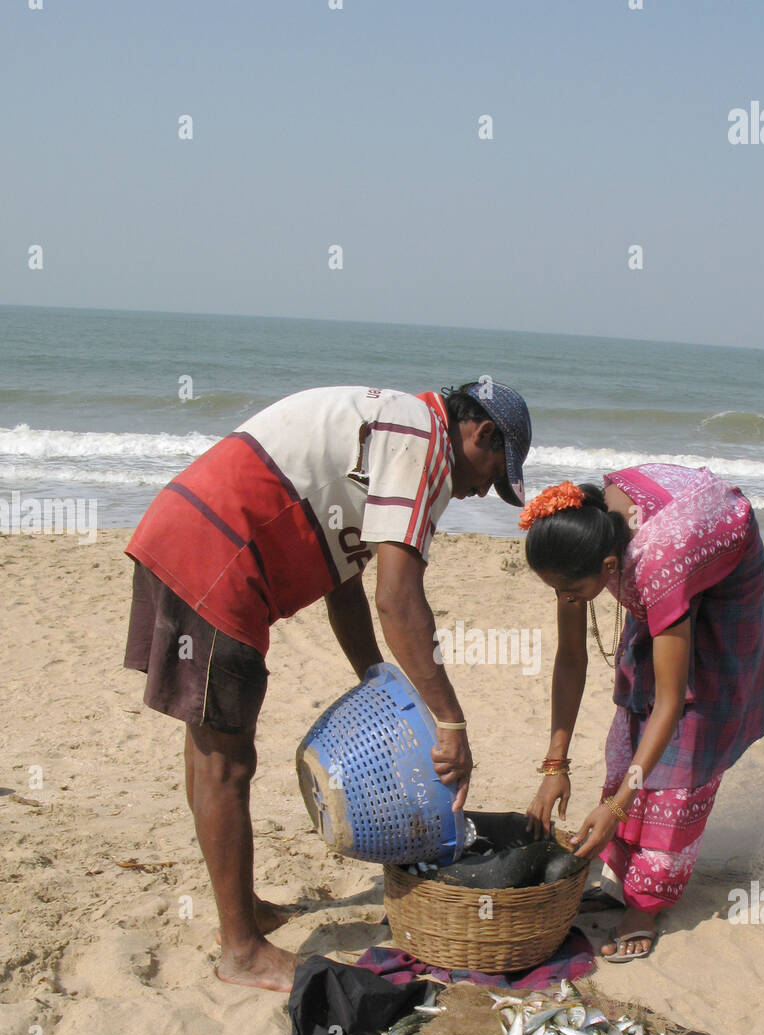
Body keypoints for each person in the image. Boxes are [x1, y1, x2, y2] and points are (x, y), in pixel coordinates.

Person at [124, 380, 532, 992]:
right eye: (491, 476)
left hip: (186, 526)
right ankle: (240, 950)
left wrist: (377, 680)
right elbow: (398, 601)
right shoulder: (424, 445)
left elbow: (345, 585)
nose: (479, 492)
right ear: (480, 434)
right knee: (226, 762)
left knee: (209, 745)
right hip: (220, 555)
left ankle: (242, 911)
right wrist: (450, 721)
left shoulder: (396, 427)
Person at [523, 465, 764, 961]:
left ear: (611, 566)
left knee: (687, 745)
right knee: (632, 717)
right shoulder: (584, 542)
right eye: (557, 591)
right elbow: (571, 657)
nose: (565, 602)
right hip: (667, 537)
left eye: (572, 593)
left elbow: (670, 703)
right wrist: (555, 764)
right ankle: (624, 863)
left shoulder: (657, 567)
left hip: (718, 546)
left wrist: (616, 807)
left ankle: (647, 905)